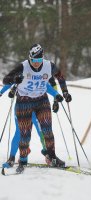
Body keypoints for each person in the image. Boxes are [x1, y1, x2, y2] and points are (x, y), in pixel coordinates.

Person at [3, 44, 72, 173]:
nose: (36, 63)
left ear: (42, 58)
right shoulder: (23, 66)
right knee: (25, 134)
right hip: (24, 102)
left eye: (39, 60)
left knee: (47, 131)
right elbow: (6, 79)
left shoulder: (48, 66)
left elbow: (60, 77)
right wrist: (14, 79)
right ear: (30, 58)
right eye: (34, 61)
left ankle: (52, 157)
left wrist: (65, 92)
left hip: (41, 100)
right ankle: (22, 160)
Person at [0, 82, 61, 169]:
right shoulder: (21, 72)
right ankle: (11, 158)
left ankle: (48, 155)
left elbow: (46, 85)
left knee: (42, 133)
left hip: (36, 109)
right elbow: (10, 82)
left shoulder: (39, 72)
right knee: (19, 133)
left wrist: (57, 96)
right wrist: (1, 92)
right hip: (22, 108)